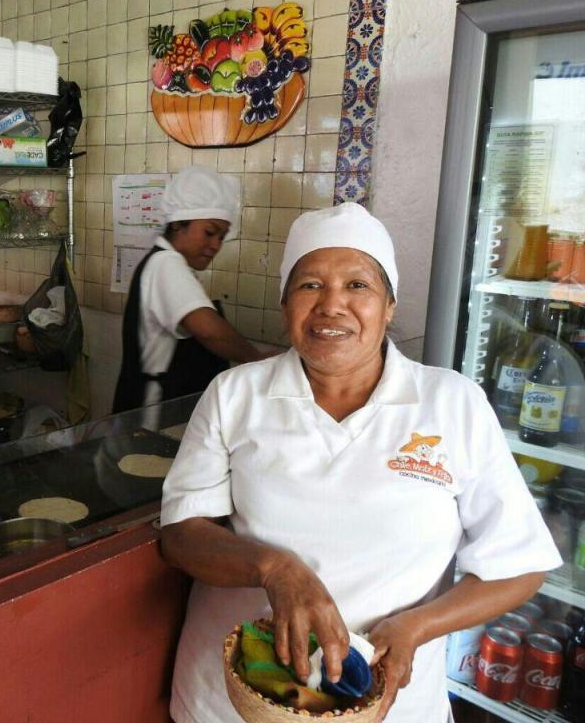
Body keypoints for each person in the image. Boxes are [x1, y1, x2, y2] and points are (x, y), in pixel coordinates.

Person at [159, 202, 562, 722]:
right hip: (235, 699)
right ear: (285, 304)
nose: (332, 305)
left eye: (357, 285)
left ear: (389, 305)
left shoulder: (452, 403)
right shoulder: (235, 394)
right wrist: (275, 569)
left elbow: (519, 565)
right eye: (310, 285)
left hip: (390, 702)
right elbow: (181, 535)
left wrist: (416, 627)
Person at [112, 166, 266, 413]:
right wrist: (258, 359)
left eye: (221, 237)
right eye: (209, 232)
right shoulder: (166, 264)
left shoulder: (164, 262)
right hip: (156, 411)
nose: (215, 245)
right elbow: (209, 331)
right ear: (177, 224)